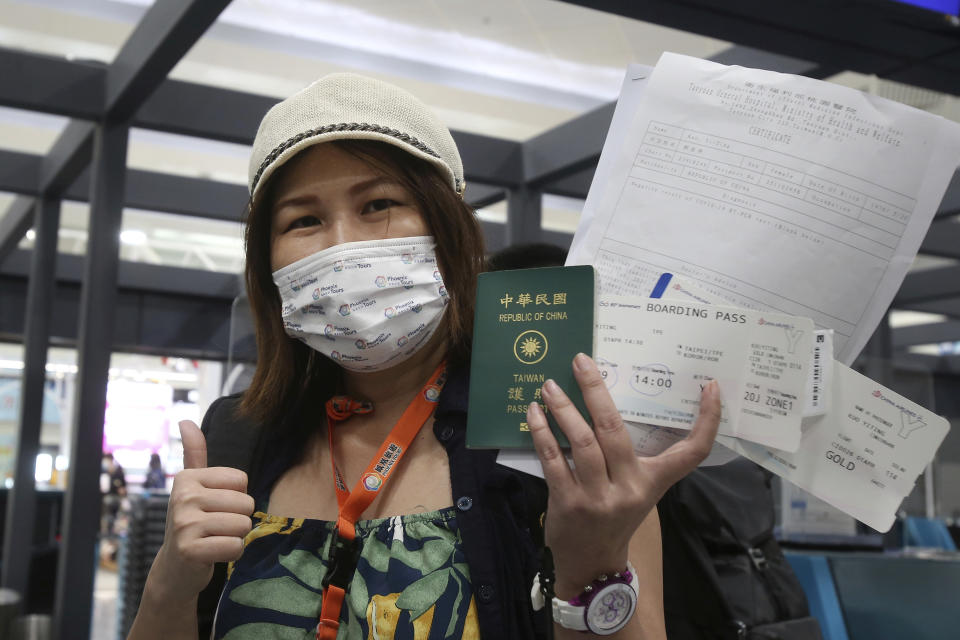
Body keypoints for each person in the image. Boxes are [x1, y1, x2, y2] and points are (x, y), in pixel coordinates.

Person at [128, 73, 720, 639]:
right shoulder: (237, 437)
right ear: (268, 262)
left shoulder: (553, 430)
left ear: (448, 228)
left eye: (378, 203)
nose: (342, 246)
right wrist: (170, 585)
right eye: (304, 219)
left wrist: (594, 566)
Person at [102, 452, 127, 537]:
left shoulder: (118, 470)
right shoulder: (105, 471)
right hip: (107, 496)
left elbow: (123, 488)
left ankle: (112, 533)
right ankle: (108, 532)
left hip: (114, 498)